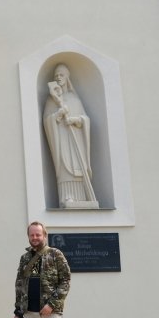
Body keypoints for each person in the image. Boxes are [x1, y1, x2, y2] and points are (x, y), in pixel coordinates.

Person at [43, 63, 98, 209]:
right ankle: (67, 197)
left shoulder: (75, 99)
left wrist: (75, 120)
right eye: (56, 76)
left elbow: (85, 119)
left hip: (76, 142)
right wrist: (58, 115)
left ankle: (83, 197)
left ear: (67, 78)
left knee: (79, 168)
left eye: (61, 75)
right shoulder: (52, 100)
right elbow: (47, 121)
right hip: (61, 142)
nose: (58, 78)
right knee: (65, 168)